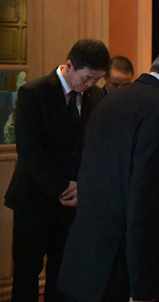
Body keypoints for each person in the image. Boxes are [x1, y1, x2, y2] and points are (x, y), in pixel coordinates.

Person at [58, 40, 159, 302]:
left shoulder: (109, 101)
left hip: (87, 262)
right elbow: (151, 206)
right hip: (126, 267)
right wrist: (144, 288)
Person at [4, 39, 110, 302]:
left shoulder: (96, 96)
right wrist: (64, 187)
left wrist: (83, 187)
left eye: (97, 80)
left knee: (63, 273)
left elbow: (95, 148)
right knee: (27, 272)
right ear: (69, 65)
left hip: (73, 203)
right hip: (34, 198)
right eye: (87, 78)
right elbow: (30, 151)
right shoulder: (34, 92)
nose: (90, 85)